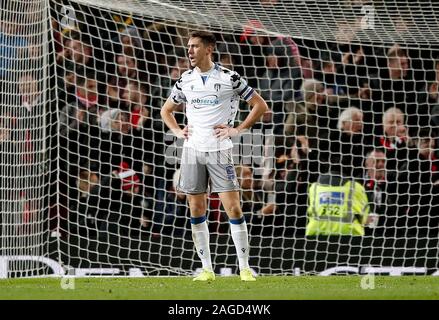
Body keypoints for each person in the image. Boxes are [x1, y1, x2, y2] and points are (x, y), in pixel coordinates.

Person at [160, 30, 268, 281]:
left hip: (220, 152)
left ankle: (244, 268)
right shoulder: (185, 80)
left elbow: (260, 105)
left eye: (195, 46)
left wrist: (237, 129)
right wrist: (178, 131)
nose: (190, 51)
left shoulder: (229, 78)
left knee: (234, 208)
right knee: (196, 208)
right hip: (192, 152)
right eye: (188, 47)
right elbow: (166, 110)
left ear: (209, 49)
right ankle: (207, 269)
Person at [305, 159, 371, 236]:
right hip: (350, 236)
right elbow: (365, 218)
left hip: (315, 233)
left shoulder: (313, 187)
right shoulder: (356, 187)